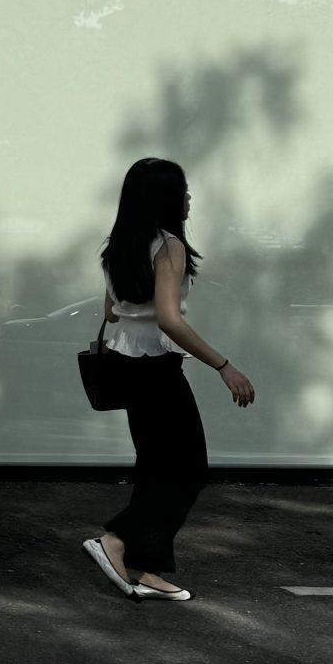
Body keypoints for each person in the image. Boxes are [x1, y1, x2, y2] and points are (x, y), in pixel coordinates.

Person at [81, 157, 256, 602]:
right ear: (165, 198)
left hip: (126, 362)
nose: (189, 197)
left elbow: (110, 311)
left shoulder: (118, 246)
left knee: (155, 466)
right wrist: (224, 366)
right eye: (183, 190)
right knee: (189, 467)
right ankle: (116, 540)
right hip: (156, 366)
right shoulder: (168, 246)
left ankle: (149, 570)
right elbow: (169, 320)